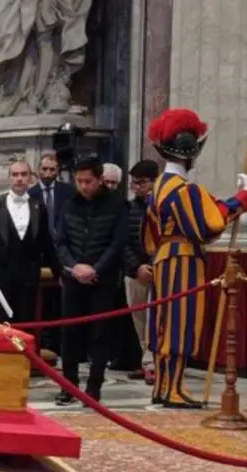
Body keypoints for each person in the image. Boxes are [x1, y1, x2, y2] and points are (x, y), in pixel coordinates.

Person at [143, 108, 247, 408]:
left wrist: (235, 199)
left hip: (164, 256)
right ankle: (172, 388)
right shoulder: (185, 190)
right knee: (180, 323)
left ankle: (162, 387)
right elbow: (210, 224)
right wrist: (242, 199)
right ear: (191, 155)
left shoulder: (159, 186)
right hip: (183, 260)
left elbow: (150, 233)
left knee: (165, 323)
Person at [54, 156, 128, 405]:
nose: (84, 186)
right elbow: (60, 241)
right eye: (79, 181)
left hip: (102, 279)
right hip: (73, 276)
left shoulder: (117, 205)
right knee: (69, 333)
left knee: (99, 334)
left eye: (88, 181)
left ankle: (93, 388)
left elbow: (117, 243)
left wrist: (95, 269)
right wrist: (75, 267)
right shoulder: (68, 204)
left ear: (99, 180)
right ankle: (69, 385)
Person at [0, 160, 61, 324]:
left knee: (26, 327)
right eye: (15, 175)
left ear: (31, 178)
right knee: (0, 329)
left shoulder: (39, 208)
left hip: (29, 281)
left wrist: (61, 274)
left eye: (23, 174)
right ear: (9, 178)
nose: (19, 178)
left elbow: (47, 245)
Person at [121, 159, 160, 385]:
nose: (137, 187)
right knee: (139, 320)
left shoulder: (164, 205)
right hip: (136, 271)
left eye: (142, 182)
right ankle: (147, 360)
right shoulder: (128, 208)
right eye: (134, 183)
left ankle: (154, 363)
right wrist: (137, 267)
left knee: (158, 319)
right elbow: (123, 242)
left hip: (161, 269)